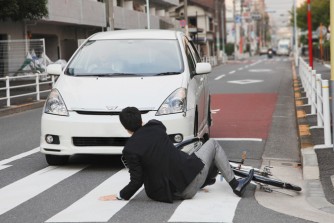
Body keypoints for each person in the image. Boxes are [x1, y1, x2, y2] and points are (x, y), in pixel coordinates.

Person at [99, 107, 254, 203]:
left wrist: (120, 195)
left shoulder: (129, 149)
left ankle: (205, 181)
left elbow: (137, 181)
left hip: (172, 193)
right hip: (190, 180)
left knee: (193, 155)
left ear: (125, 128)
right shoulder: (155, 126)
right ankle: (236, 185)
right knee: (212, 144)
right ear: (141, 120)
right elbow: (157, 129)